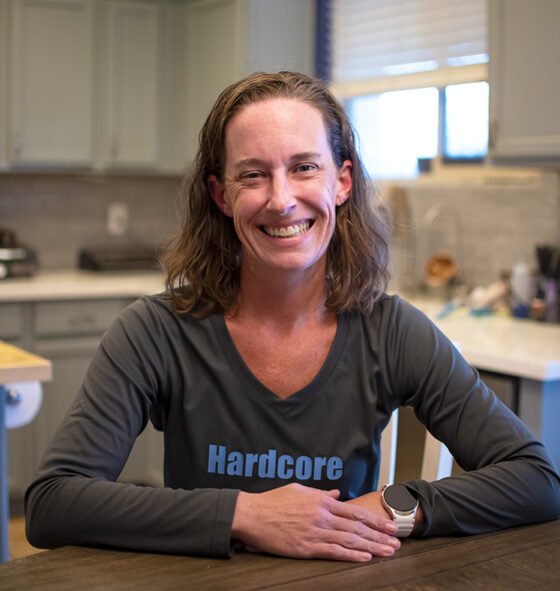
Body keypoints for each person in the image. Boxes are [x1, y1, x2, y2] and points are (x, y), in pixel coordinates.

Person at [25, 71, 560, 562]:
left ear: (342, 181)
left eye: (304, 167)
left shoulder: (392, 332)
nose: (281, 200)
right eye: (253, 175)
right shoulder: (157, 332)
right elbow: (53, 502)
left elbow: (538, 480)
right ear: (221, 195)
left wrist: (397, 506)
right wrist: (244, 513)